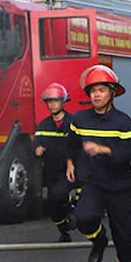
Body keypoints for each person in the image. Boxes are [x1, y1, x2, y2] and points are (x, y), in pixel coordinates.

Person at [66, 65, 131, 262]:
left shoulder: (123, 122)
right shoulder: (79, 119)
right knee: (84, 218)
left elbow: (130, 152)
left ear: (112, 93)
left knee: (124, 238)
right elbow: (71, 143)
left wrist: (104, 149)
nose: (96, 95)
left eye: (101, 90)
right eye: (93, 91)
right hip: (93, 182)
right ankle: (98, 239)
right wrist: (70, 162)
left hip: (119, 186)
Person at [32, 83, 76, 242]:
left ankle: (74, 203)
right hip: (52, 171)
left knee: (60, 195)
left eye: (56, 101)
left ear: (63, 101)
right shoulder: (44, 124)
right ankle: (65, 231)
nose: (52, 104)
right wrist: (37, 149)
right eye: (49, 101)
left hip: (69, 169)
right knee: (51, 206)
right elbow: (36, 143)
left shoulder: (73, 122)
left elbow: (80, 145)